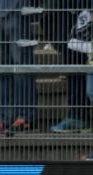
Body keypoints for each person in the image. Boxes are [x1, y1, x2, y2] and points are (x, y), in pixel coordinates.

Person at [0, 0, 37, 136]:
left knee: (22, 65)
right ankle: (4, 117)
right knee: (1, 68)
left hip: (16, 8)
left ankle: (25, 116)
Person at [42, 0, 91, 132]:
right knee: (72, 61)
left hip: (82, 12)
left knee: (78, 62)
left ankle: (78, 116)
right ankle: (77, 116)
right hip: (64, 12)